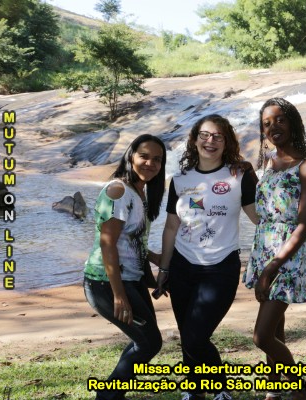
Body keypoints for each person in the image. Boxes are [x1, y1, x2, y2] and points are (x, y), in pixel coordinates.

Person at [157, 114, 259, 400]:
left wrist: (298, 220)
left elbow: (258, 217)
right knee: (187, 332)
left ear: (226, 142)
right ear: (194, 139)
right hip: (182, 266)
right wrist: (164, 270)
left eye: (217, 136)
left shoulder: (239, 175)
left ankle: (220, 388)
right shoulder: (179, 180)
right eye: (204, 135)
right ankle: (194, 390)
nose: (210, 141)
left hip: (221, 268)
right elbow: (171, 226)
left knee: (195, 336)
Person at [243, 98, 306, 400]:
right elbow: (270, 205)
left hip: (286, 256)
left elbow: (301, 225)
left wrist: (272, 267)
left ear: (293, 123)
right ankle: (274, 389)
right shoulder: (268, 163)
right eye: (266, 123)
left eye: (279, 120)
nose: (273, 127)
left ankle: (301, 391)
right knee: (276, 328)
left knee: (261, 336)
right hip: (264, 247)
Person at [83, 134, 166, 400]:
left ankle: (112, 395)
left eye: (157, 159)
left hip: (131, 279)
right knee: (148, 342)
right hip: (106, 283)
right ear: (131, 157)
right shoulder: (118, 191)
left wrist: (155, 259)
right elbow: (107, 244)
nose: (150, 163)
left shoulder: (139, 191)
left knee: (146, 341)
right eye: (144, 156)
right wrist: (119, 295)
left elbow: (130, 240)